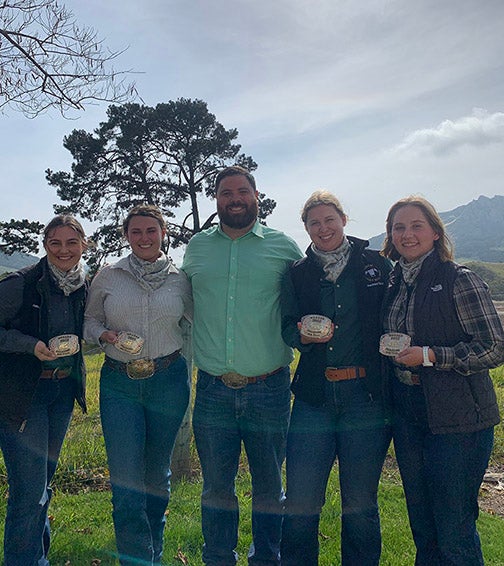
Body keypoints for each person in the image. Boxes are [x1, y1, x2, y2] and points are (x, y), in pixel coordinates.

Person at [182, 166, 302, 565]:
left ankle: (267, 559)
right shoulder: (197, 247)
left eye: (242, 191)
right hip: (213, 389)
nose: (234, 198)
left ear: (256, 195)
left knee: (270, 486)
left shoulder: (284, 247)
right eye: (225, 193)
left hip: (269, 388)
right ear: (216, 199)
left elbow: (310, 297)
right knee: (216, 488)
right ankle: (218, 558)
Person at [381, 196, 503, 566]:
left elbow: (494, 347)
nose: (407, 234)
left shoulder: (458, 280)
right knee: (423, 523)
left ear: (435, 232)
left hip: (459, 419)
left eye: (416, 225)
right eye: (398, 227)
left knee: (454, 526)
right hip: (409, 413)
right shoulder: (394, 283)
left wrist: (431, 356)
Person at [279, 191, 392, 566]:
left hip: (365, 398)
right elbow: (285, 327)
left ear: (344, 219)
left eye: (329, 219)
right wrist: (301, 336)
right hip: (314, 398)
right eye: (314, 222)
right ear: (306, 228)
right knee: (301, 500)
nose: (323, 228)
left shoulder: (377, 264)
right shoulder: (296, 272)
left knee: (359, 503)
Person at [84, 204, 192, 566]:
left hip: (169, 381)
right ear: (126, 236)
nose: (144, 238)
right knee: (127, 484)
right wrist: (103, 335)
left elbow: (199, 323)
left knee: (156, 479)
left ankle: (153, 556)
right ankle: (135, 560)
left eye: (151, 231)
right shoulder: (108, 276)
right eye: (136, 232)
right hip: (120, 384)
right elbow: (89, 322)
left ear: (164, 233)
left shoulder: (181, 279)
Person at [0, 215, 88, 565]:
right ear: (45, 245)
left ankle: (37, 558)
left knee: (42, 486)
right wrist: (29, 345)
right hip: (24, 396)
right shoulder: (19, 284)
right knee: (28, 491)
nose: (63, 250)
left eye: (71, 243)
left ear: (84, 244)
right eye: (55, 243)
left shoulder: (84, 285)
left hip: (61, 394)